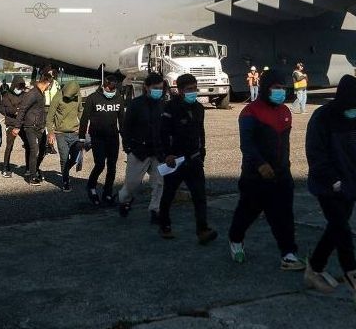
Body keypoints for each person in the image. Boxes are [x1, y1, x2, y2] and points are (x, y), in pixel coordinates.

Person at [304, 75, 356, 310]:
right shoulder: (322, 118)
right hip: (327, 186)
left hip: (352, 185)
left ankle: (314, 268)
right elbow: (316, 154)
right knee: (343, 232)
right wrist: (334, 181)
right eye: (353, 106)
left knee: (335, 229)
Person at [228, 68, 305, 270]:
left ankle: (288, 254)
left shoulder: (286, 112)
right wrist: (260, 164)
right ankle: (235, 239)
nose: (280, 92)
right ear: (265, 89)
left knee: (284, 215)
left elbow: (284, 145)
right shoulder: (250, 112)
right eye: (275, 88)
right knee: (248, 211)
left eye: (282, 88)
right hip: (256, 175)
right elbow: (247, 145)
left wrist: (284, 168)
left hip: (281, 174)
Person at [156, 73, 217, 244]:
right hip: (175, 160)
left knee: (199, 195)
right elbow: (162, 133)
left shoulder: (198, 108)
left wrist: (202, 152)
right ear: (181, 90)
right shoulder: (170, 108)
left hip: (194, 158)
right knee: (169, 194)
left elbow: (200, 132)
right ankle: (164, 225)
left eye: (195, 89)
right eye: (189, 89)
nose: (193, 92)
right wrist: (166, 154)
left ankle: (202, 229)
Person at [117, 73, 165, 223]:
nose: (158, 91)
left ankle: (155, 210)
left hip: (158, 152)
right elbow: (126, 127)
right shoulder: (136, 104)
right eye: (155, 88)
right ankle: (124, 201)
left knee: (159, 183)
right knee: (131, 185)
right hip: (139, 152)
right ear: (146, 87)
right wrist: (128, 148)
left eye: (161, 88)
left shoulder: (163, 105)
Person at [80, 75, 125, 206]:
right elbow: (84, 119)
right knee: (100, 164)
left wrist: (126, 141)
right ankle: (91, 186)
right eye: (108, 88)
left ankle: (107, 193)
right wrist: (82, 138)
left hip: (113, 138)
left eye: (113, 89)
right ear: (103, 86)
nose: (110, 92)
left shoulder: (119, 99)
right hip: (97, 137)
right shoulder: (92, 98)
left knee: (112, 167)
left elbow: (122, 121)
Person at [17, 72, 52, 184]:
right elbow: (22, 109)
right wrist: (17, 126)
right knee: (34, 150)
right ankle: (32, 176)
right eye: (50, 85)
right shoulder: (32, 94)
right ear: (47, 83)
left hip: (40, 126)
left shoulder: (41, 93)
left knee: (43, 150)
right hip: (30, 126)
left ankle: (34, 168)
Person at [48, 79, 82, 191]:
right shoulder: (57, 97)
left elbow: (80, 111)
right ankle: (65, 181)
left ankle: (65, 171)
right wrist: (51, 133)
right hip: (60, 133)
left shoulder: (78, 96)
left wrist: (85, 127)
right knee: (64, 158)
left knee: (75, 158)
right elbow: (50, 117)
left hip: (75, 132)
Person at [0, 77, 27, 178]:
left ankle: (28, 168)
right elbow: (6, 109)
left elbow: (25, 108)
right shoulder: (7, 95)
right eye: (18, 86)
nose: (19, 89)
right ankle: (5, 168)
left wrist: (18, 110)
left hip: (23, 124)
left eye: (21, 87)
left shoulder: (25, 95)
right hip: (11, 124)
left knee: (28, 145)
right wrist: (16, 111)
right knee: (9, 146)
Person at [43, 66, 61, 155]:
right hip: (43, 107)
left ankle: (51, 145)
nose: (51, 75)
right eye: (49, 73)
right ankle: (45, 146)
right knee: (44, 127)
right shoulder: (42, 83)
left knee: (52, 127)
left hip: (53, 107)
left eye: (52, 73)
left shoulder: (56, 83)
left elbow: (59, 93)